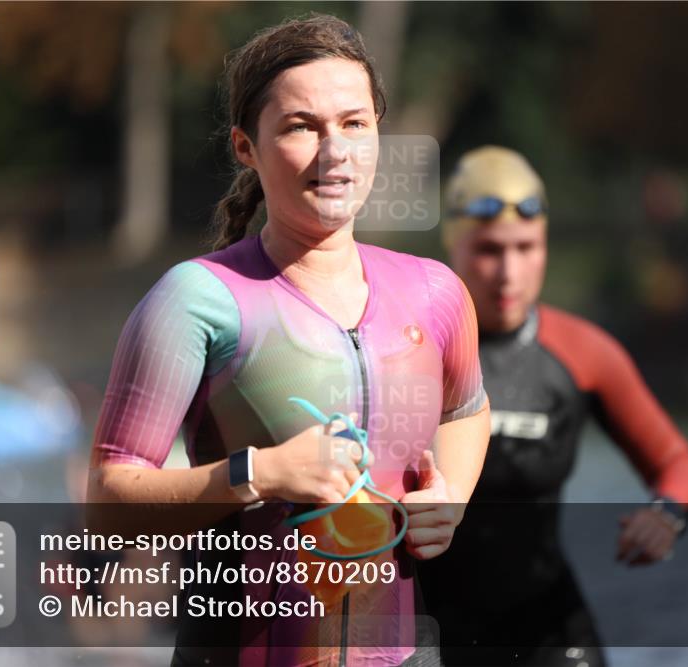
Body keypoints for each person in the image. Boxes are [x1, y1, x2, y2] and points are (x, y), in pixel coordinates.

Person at [87, 15, 491, 667]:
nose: (335, 152)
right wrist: (261, 473)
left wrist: (452, 499)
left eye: (354, 123)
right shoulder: (198, 300)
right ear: (246, 146)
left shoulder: (435, 291)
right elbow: (107, 506)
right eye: (302, 126)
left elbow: (468, 409)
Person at [418, 146, 688, 666]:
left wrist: (665, 517)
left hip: (548, 631)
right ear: (453, 245)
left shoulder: (583, 352)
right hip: (426, 630)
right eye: (488, 249)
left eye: (526, 247)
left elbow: (676, 462)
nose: (508, 272)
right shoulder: (407, 346)